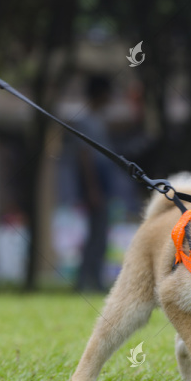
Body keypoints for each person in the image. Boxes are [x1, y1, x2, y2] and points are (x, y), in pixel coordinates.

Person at [73, 75, 115, 292]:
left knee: (100, 234)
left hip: (103, 179)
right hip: (94, 181)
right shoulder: (85, 121)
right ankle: (85, 282)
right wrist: (92, 188)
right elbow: (85, 156)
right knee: (95, 234)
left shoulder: (99, 120)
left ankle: (93, 279)